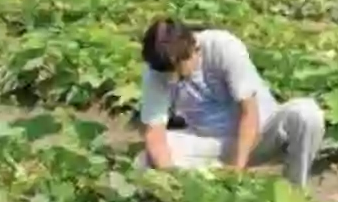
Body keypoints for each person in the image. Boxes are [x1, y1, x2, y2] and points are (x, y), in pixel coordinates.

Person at [134, 18, 325, 188]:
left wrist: (237, 172)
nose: (172, 79)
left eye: (178, 71)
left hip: (260, 136)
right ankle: (186, 201)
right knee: (147, 159)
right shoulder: (157, 71)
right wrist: (171, 179)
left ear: (192, 49)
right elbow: (155, 133)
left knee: (306, 114)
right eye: (167, 73)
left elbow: (250, 113)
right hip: (211, 143)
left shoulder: (222, 47)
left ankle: (294, 192)